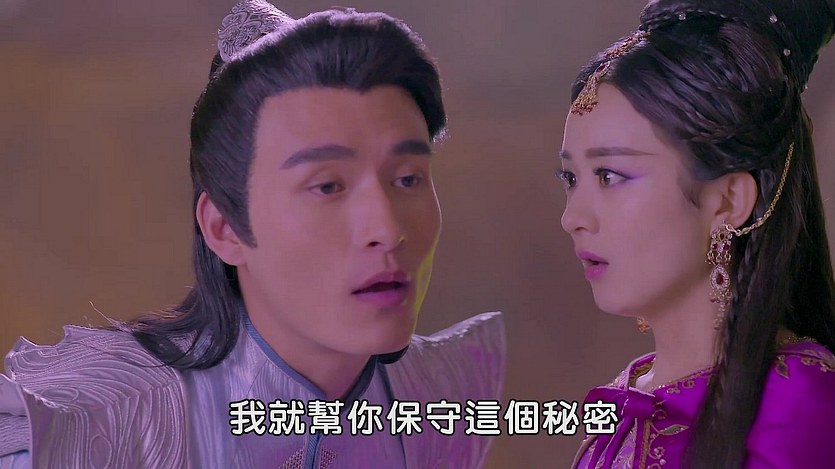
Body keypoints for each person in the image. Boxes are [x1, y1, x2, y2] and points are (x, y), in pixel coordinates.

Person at [0, 1, 505, 467]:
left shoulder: (439, 396)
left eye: (408, 179)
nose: (387, 229)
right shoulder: (102, 431)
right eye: (328, 186)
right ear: (224, 228)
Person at [556, 0, 835, 467]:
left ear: (726, 201)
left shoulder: (802, 406)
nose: (572, 217)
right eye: (570, 178)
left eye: (609, 175)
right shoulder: (625, 400)